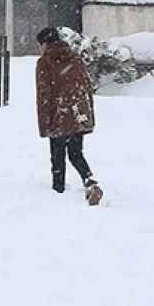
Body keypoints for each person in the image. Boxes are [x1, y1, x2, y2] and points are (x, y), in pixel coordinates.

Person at [35, 27, 104, 206]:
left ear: (45, 44)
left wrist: (45, 125)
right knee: (75, 153)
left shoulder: (45, 62)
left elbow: (44, 96)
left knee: (57, 156)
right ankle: (90, 181)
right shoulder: (75, 58)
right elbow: (86, 87)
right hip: (76, 112)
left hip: (58, 114)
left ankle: (58, 193)